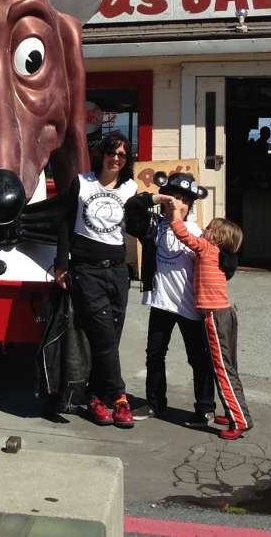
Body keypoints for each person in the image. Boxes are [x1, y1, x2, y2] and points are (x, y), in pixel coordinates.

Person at [53, 131, 139, 428]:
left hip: (117, 270)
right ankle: (119, 398)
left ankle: (95, 397)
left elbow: (140, 223)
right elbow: (64, 222)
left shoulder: (131, 188)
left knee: (110, 338)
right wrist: (60, 265)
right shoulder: (83, 183)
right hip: (86, 270)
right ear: (102, 153)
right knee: (103, 336)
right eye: (112, 153)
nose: (116, 159)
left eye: (122, 155)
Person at [162, 195, 251, 439]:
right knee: (228, 366)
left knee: (222, 368)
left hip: (214, 316)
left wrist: (176, 212)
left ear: (217, 237)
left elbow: (182, 234)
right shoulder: (220, 255)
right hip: (227, 314)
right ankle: (234, 412)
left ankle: (239, 420)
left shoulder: (208, 249)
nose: (204, 229)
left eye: (209, 227)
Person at [136, 173, 215, 426]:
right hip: (161, 302)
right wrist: (156, 198)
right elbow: (132, 208)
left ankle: (205, 408)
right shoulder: (153, 228)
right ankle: (155, 403)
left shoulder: (195, 232)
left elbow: (215, 262)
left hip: (189, 304)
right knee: (154, 354)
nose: (176, 202)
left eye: (183, 200)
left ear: (190, 206)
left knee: (198, 358)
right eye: (172, 197)